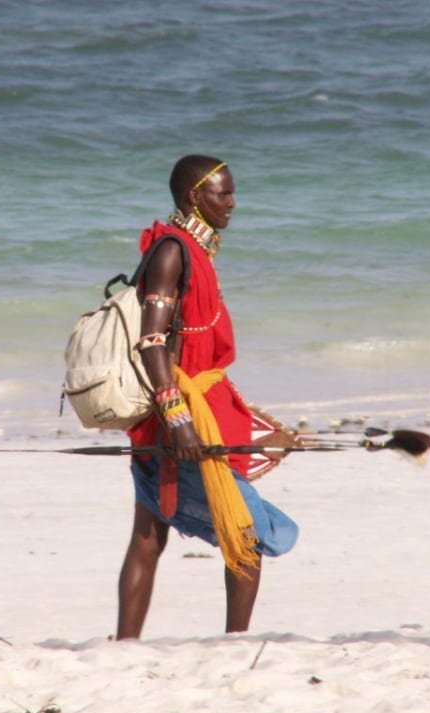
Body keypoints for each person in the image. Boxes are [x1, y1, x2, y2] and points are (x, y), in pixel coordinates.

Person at [116, 155, 298, 640]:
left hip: (188, 410)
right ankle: (235, 643)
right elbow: (152, 341)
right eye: (224, 193)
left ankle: (124, 645)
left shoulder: (194, 251)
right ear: (195, 196)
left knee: (149, 535)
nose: (232, 203)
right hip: (178, 417)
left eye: (232, 193)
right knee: (246, 534)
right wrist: (178, 420)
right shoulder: (172, 253)